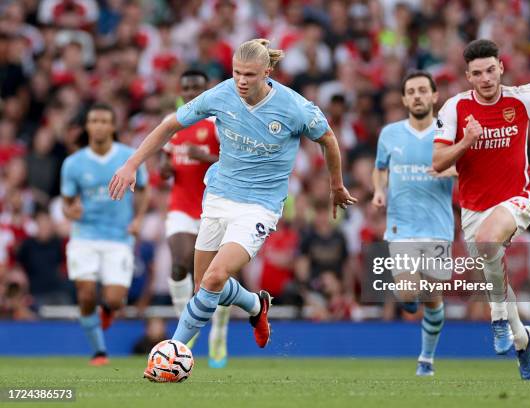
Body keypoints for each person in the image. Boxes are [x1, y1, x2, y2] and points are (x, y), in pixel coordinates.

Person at [107, 38, 356, 381]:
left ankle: (171, 355)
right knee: (203, 288)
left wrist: (336, 184)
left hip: (259, 207)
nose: (241, 80)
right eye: (237, 73)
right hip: (219, 197)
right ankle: (256, 305)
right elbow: (169, 125)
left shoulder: (294, 107)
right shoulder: (222, 94)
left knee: (213, 278)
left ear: (267, 72)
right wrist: (131, 164)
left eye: (250, 75)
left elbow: (327, 138)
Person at [432, 39, 530, 380]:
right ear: (468, 76)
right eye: (477, 73)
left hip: (516, 198)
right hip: (473, 208)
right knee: (490, 260)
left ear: (501, 68)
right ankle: (522, 338)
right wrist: (467, 141)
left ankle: (497, 317)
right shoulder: (455, 108)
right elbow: (438, 162)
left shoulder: (521, 98)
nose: (485, 78)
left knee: (487, 245)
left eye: (490, 70)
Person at [372, 71, 455, 376]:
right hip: (401, 226)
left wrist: (453, 171)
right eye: (411, 91)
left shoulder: (448, 133)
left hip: (438, 226)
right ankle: (409, 300)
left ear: (435, 96)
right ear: (405, 99)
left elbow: (469, 167)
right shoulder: (390, 134)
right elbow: (380, 168)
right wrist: (380, 190)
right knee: (408, 291)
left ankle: (427, 359)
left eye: (423, 90)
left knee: (433, 299)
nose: (417, 95)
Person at [61, 103, 150, 366]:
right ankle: (99, 351)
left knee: (114, 298)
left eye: (103, 121)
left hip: (118, 237)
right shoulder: (73, 163)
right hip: (84, 235)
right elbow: (67, 203)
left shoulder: (129, 157)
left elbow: (144, 189)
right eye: (94, 121)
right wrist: (71, 211)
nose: (98, 125)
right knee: (86, 294)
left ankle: (109, 309)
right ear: (87, 126)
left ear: (112, 126)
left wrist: (138, 218)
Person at [160, 69, 230, 368]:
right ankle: (185, 326)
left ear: (206, 90)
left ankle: (219, 331)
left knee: (219, 276)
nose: (190, 93)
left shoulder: (217, 124)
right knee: (179, 264)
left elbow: (236, 161)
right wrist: (165, 170)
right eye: (186, 87)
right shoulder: (173, 123)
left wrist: (206, 158)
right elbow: (166, 163)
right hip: (180, 208)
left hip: (214, 208)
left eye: (196, 88)